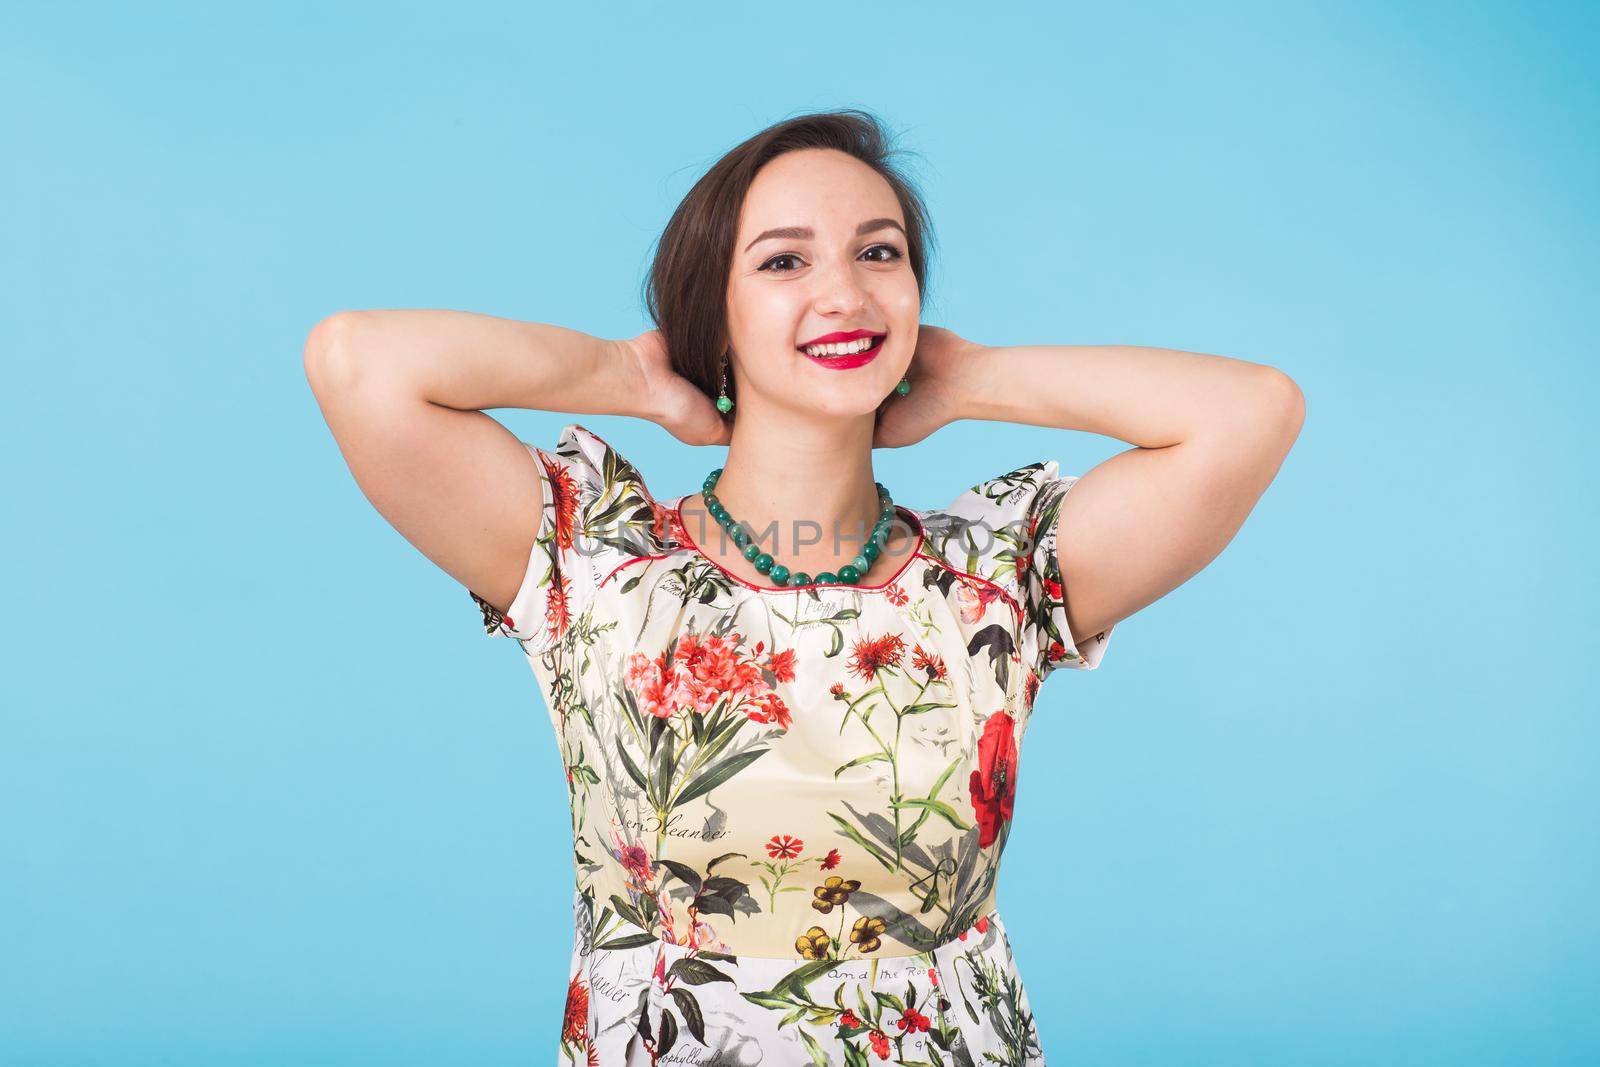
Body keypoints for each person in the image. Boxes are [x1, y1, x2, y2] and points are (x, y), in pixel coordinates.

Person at [304, 108, 1304, 1066]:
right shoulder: (596, 560)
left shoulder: (995, 576)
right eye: (784, 260)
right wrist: (630, 374)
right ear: (717, 313)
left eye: (880, 253)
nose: (846, 294)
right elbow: (359, 361)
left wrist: (975, 378)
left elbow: (1253, 412)